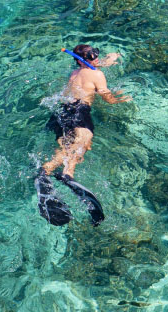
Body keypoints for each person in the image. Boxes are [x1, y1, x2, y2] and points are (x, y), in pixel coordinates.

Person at [35, 44, 131, 227]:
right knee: (82, 144)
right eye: (91, 56)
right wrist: (119, 97)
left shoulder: (75, 73)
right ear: (83, 60)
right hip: (80, 112)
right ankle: (67, 174)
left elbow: (89, 69)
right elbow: (107, 98)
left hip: (61, 112)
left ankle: (45, 171)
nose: (95, 58)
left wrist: (109, 59)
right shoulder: (97, 75)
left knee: (66, 148)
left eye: (96, 55)